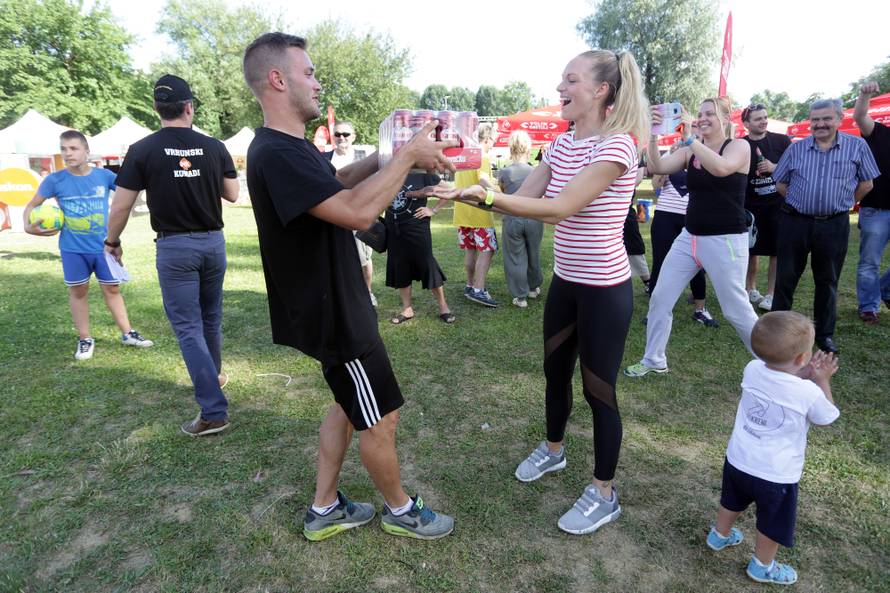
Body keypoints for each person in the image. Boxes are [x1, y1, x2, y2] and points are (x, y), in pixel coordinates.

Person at [242, 32, 455, 541]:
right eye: (309, 72)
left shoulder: (290, 147)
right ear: (278, 79)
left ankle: (324, 507)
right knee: (381, 415)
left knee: (347, 401)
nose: (317, 82)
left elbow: (334, 183)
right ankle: (402, 512)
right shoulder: (274, 151)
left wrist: (394, 153)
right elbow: (357, 211)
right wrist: (404, 161)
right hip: (333, 310)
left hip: (335, 302)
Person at [435, 49, 650, 535]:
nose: (559, 88)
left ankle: (604, 493)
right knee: (555, 372)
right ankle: (554, 451)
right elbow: (528, 196)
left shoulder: (618, 148)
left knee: (599, 392)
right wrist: (472, 187)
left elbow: (558, 209)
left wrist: (486, 195)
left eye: (570, 80)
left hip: (604, 291)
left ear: (601, 90)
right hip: (567, 284)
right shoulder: (562, 145)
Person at [105, 74, 240, 436]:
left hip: (175, 246)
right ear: (189, 107)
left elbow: (120, 206)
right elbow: (232, 194)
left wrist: (112, 241)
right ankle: (214, 379)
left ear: (155, 108)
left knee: (188, 326)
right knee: (209, 318)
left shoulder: (143, 149)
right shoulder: (214, 147)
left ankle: (213, 411)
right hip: (213, 242)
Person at [625, 97, 759, 377]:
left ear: (726, 118)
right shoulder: (690, 150)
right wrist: (652, 133)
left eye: (710, 113)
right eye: (700, 114)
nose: (703, 118)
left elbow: (721, 168)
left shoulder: (739, 146)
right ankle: (654, 359)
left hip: (725, 240)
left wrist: (690, 140)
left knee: (735, 309)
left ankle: (774, 364)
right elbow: (658, 167)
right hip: (690, 236)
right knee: (660, 298)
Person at [706, 311, 839, 586]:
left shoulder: (752, 369)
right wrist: (822, 379)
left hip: (739, 461)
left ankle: (719, 535)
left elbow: (780, 377)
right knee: (771, 523)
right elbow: (826, 417)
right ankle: (762, 566)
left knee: (731, 500)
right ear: (802, 358)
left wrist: (803, 372)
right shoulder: (808, 392)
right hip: (775, 475)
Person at [23, 130, 154, 361]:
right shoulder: (55, 180)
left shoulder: (104, 176)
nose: (67, 153)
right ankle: (85, 338)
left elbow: (130, 193)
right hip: (73, 249)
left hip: (104, 247)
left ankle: (128, 333)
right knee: (78, 291)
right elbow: (31, 206)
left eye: (73, 148)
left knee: (112, 289)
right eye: (63, 149)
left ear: (86, 151)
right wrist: (27, 226)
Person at [772, 98, 879, 354]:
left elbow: (867, 183)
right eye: (815, 119)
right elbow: (779, 183)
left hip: (834, 225)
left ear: (839, 119)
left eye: (826, 118)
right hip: (795, 222)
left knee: (828, 281)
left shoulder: (857, 146)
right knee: (786, 277)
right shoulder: (796, 149)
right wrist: (800, 204)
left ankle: (825, 334)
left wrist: (843, 203)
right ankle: (776, 330)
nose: (820, 124)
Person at [648, 142, 710, 321]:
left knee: (696, 262)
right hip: (665, 216)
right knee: (660, 261)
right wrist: (667, 165)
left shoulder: (700, 162)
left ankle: (700, 310)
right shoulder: (668, 163)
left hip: (691, 217)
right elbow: (655, 185)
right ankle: (654, 310)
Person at [741, 103, 792, 311]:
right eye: (757, 118)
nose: (763, 121)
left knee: (776, 251)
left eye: (765, 117)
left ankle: (771, 294)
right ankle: (749, 289)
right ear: (746, 123)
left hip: (777, 205)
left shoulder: (781, 141)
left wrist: (774, 168)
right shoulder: (740, 144)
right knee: (749, 250)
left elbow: (796, 166)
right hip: (749, 206)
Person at [385, 173, 455, 324]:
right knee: (399, 264)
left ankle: (443, 307)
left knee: (426, 262)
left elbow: (449, 190)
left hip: (417, 227)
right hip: (393, 228)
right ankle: (407, 309)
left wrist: (433, 210)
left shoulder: (423, 173)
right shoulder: (391, 170)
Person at [327, 120, 377, 306]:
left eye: (346, 134)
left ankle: (368, 292)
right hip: (332, 215)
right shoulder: (324, 158)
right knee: (336, 258)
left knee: (363, 259)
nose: (342, 138)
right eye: (338, 134)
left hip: (358, 215)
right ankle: (341, 295)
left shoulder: (364, 157)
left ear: (353, 137)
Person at [853, 81, 890, 324]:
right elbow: (859, 116)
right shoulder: (880, 132)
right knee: (869, 261)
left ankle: (884, 290)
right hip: (875, 209)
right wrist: (864, 94)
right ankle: (868, 306)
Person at [453, 123, 499, 307]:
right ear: (486, 139)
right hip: (480, 213)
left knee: (470, 250)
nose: (493, 145)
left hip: (462, 212)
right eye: (492, 141)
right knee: (487, 250)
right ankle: (479, 290)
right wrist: (500, 193)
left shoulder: (463, 157)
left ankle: (470, 285)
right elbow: (483, 181)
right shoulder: (483, 156)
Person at [498, 130, 543, 308]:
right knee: (534, 253)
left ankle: (520, 296)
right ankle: (533, 288)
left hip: (512, 219)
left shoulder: (505, 171)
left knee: (515, 257)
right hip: (534, 217)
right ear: (528, 147)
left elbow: (502, 193)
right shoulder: (536, 171)